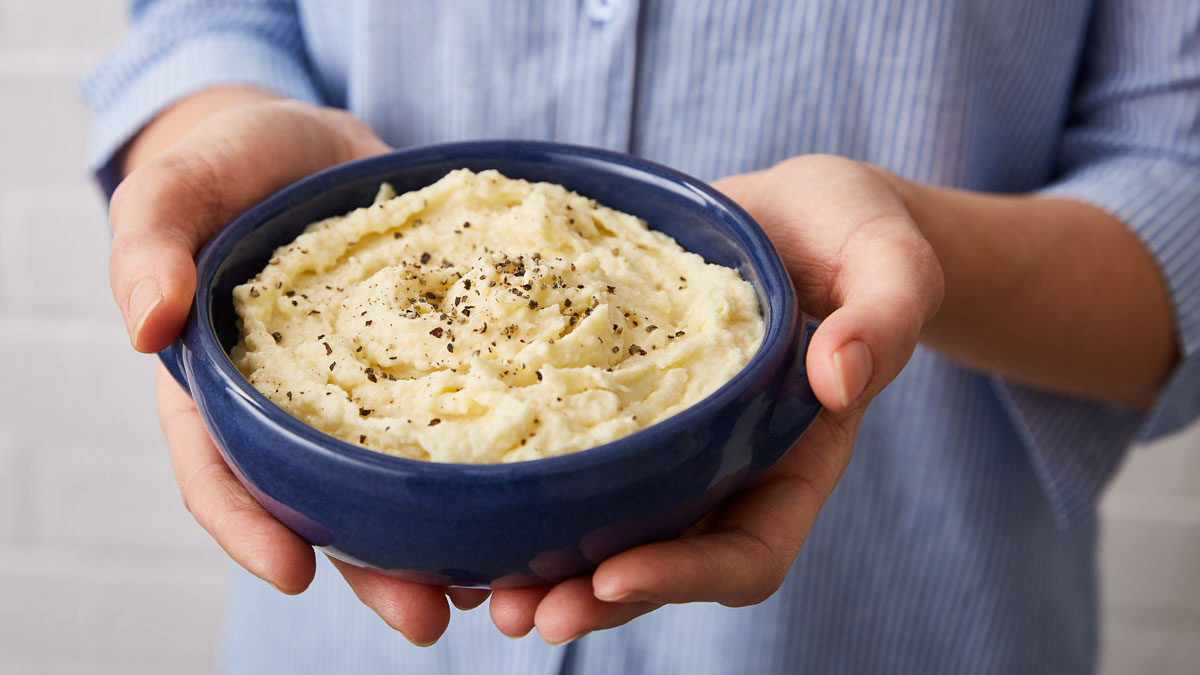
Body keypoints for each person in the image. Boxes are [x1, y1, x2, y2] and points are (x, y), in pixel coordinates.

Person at [84, 1, 1200, 673]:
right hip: (341, 612)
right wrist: (210, 145)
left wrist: (924, 246)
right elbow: (210, 16)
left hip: (882, 624)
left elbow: (1178, 190)